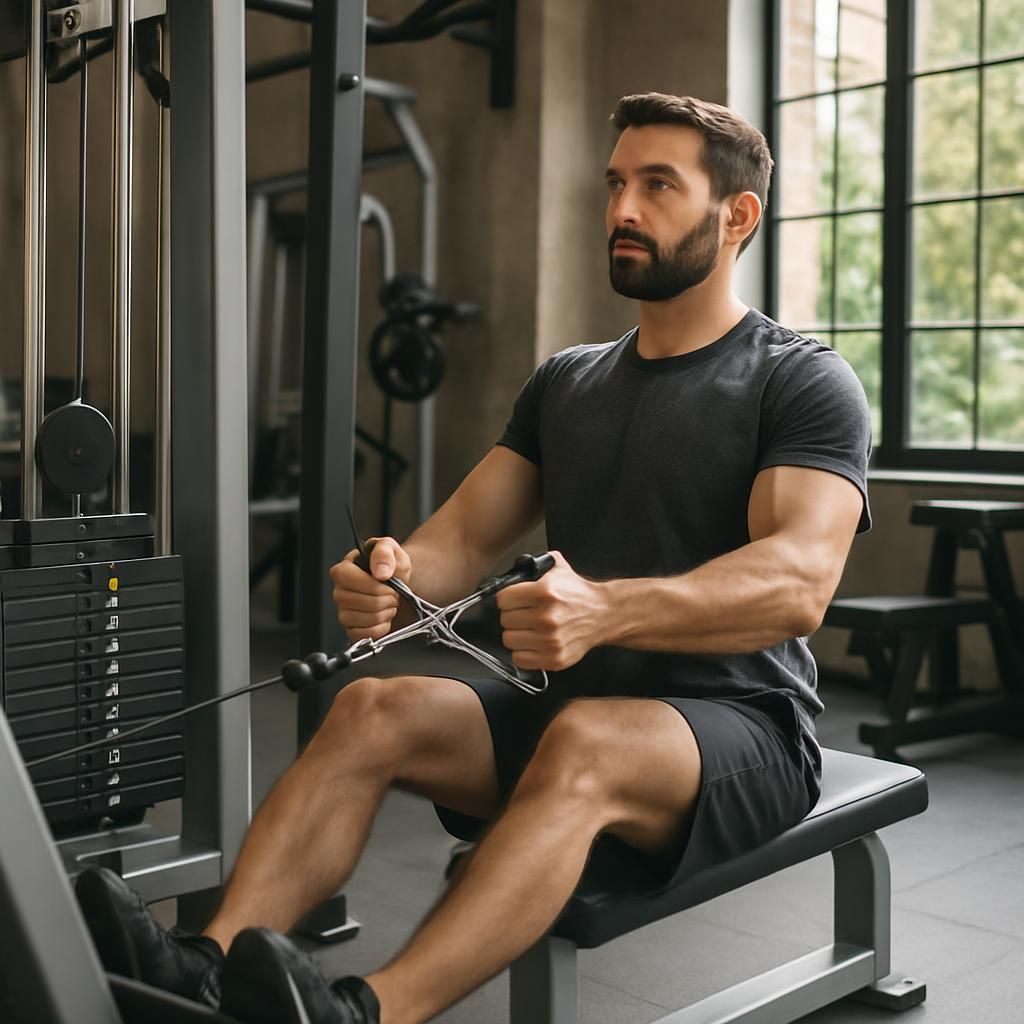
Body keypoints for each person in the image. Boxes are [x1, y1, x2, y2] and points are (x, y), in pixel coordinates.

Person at [75, 93, 871, 1024]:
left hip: (741, 725)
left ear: (737, 216)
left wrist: (607, 609)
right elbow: (457, 541)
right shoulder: (570, 380)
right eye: (616, 183)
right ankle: (195, 967)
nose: (622, 209)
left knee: (585, 741)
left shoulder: (800, 379)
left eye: (659, 186)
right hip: (574, 703)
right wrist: (392, 573)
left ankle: (370, 1012)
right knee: (369, 707)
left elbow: (797, 584)